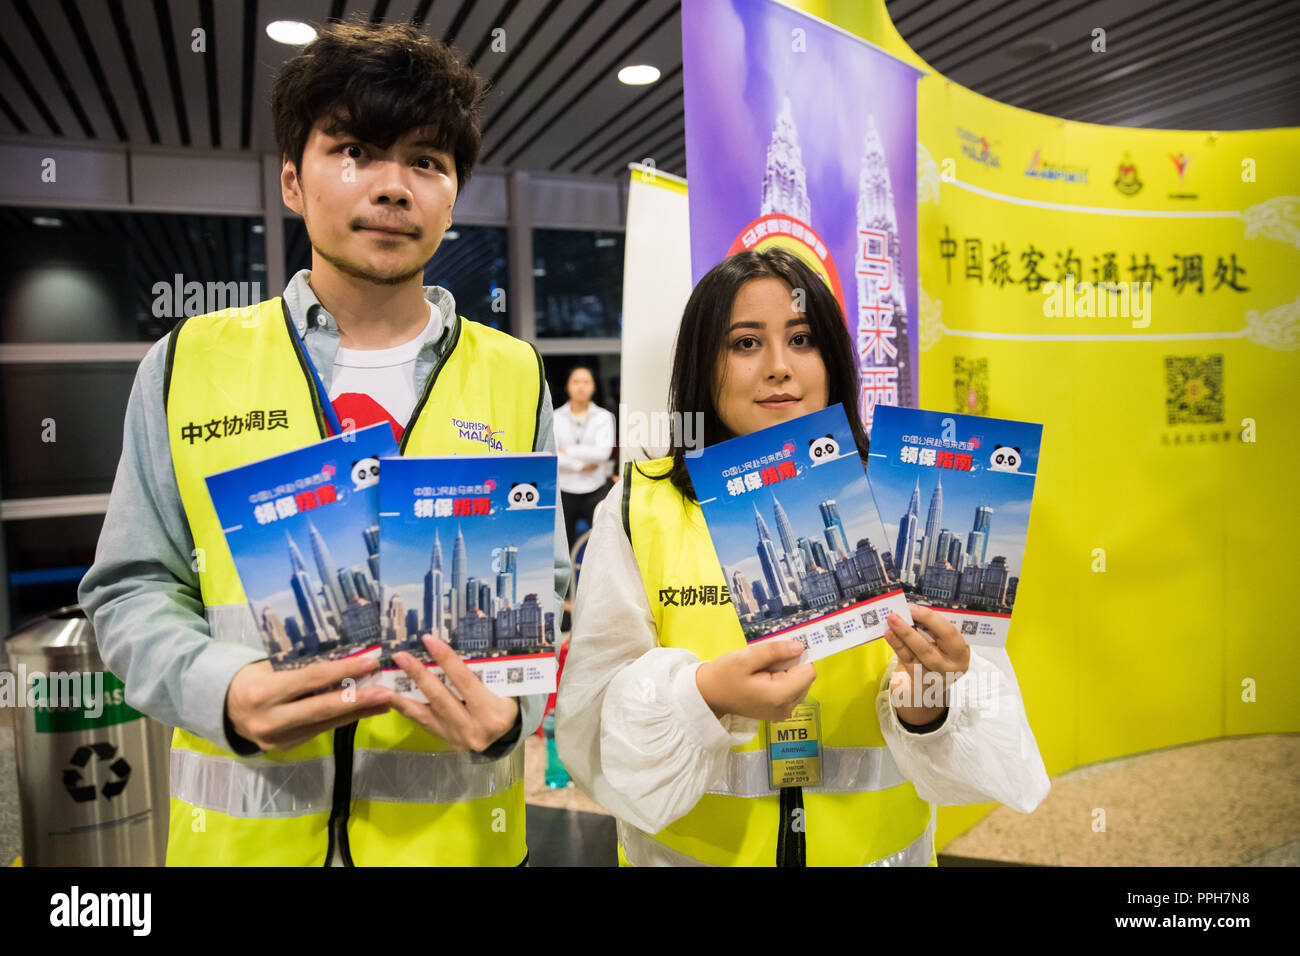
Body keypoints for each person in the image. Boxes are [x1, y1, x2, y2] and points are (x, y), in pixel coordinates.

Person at [77, 19, 570, 867]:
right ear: (292, 182)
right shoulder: (188, 364)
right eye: (352, 150)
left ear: (453, 195)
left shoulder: (514, 372)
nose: (391, 186)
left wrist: (514, 720)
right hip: (247, 845)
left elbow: (546, 586)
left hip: (455, 845)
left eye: (425, 161)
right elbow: (130, 589)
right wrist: (220, 690)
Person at [555, 247, 1050, 866]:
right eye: (744, 344)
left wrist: (930, 704)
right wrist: (702, 696)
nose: (779, 369)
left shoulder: (896, 499)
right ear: (702, 363)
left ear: (833, 359)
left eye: (802, 338)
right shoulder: (640, 506)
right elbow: (590, 731)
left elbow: (980, 753)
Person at [555, 365, 617, 549]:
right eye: (575, 381)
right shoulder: (556, 417)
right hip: (564, 490)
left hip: (595, 489)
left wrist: (569, 450)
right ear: (567, 386)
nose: (580, 386)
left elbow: (602, 453)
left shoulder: (604, 417)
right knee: (564, 547)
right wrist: (581, 465)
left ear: (593, 387)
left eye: (586, 382)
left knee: (602, 544)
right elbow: (554, 454)